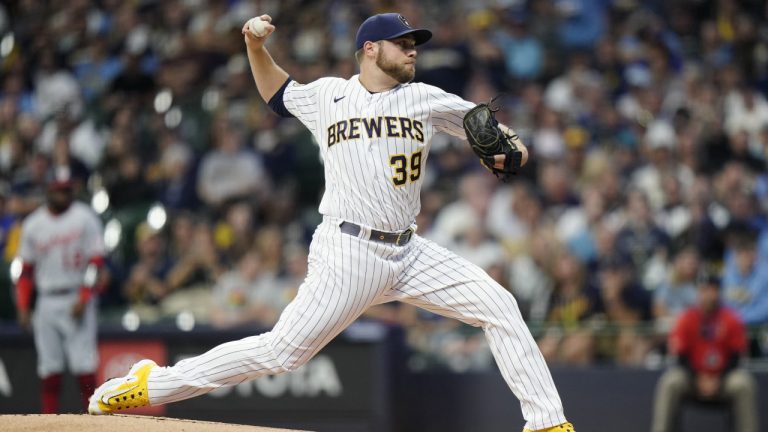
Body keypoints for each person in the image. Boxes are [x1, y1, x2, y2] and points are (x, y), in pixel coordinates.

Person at [89, 13, 575, 432]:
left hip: (409, 252)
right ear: (369, 49)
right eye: (402, 44)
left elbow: (490, 131)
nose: (412, 52)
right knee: (282, 354)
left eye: (414, 46)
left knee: (499, 304)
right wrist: (255, 45)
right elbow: (276, 92)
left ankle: (548, 422)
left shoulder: (425, 98)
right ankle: (154, 383)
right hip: (349, 251)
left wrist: (512, 146)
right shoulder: (328, 96)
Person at [14, 175, 107, 413]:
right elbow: (25, 270)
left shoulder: (85, 217)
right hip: (46, 300)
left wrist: (85, 297)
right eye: (59, 191)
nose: (63, 195)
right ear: (48, 192)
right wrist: (24, 305)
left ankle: (96, 421)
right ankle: (49, 422)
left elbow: (95, 263)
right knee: (49, 367)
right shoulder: (34, 224)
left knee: (84, 365)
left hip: (76, 296)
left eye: (67, 190)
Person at [651, 273, 758, 432]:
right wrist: (699, 378)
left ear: (718, 292)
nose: (708, 295)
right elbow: (680, 356)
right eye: (704, 290)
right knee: (670, 382)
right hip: (692, 378)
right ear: (698, 292)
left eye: (712, 290)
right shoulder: (687, 318)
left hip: (723, 378)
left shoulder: (731, 318)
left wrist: (717, 378)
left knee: (743, 383)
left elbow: (736, 356)